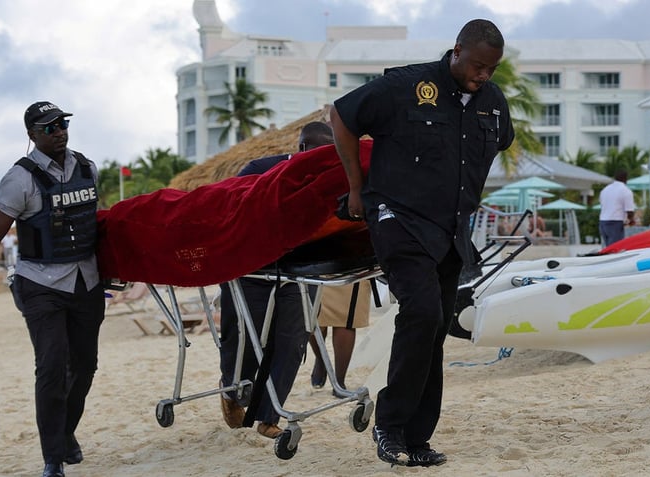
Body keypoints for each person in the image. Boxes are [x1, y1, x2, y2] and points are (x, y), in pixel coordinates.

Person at [330, 19, 514, 467]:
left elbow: (499, 143)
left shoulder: (492, 103)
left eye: (490, 69)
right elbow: (341, 116)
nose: (482, 75)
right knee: (423, 312)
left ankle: (417, 438)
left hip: (452, 231)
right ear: (455, 51)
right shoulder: (406, 85)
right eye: (476, 65)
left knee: (435, 328)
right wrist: (356, 188)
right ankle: (388, 425)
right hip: (399, 219)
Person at [0, 101, 105, 477]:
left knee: (85, 366)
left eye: (62, 124)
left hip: (85, 282)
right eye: (48, 127)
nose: (58, 131)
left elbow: (96, 226)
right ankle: (53, 459)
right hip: (40, 285)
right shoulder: (19, 180)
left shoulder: (87, 168)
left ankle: (64, 434)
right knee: (52, 366)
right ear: (31, 135)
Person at [219, 121, 333, 439]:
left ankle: (269, 416)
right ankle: (231, 390)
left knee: (294, 340)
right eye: (320, 153)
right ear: (301, 150)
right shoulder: (260, 168)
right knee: (243, 337)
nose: (326, 161)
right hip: (251, 265)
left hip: (300, 270)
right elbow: (230, 207)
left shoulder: (336, 176)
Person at [308, 280, 371, 390]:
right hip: (315, 269)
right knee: (314, 318)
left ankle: (339, 381)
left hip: (351, 268)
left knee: (345, 319)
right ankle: (320, 358)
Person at [598, 170, 636, 246]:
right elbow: (630, 211)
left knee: (608, 247)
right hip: (615, 222)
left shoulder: (605, 190)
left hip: (602, 222)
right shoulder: (625, 191)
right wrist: (631, 220)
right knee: (615, 248)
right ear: (626, 179)